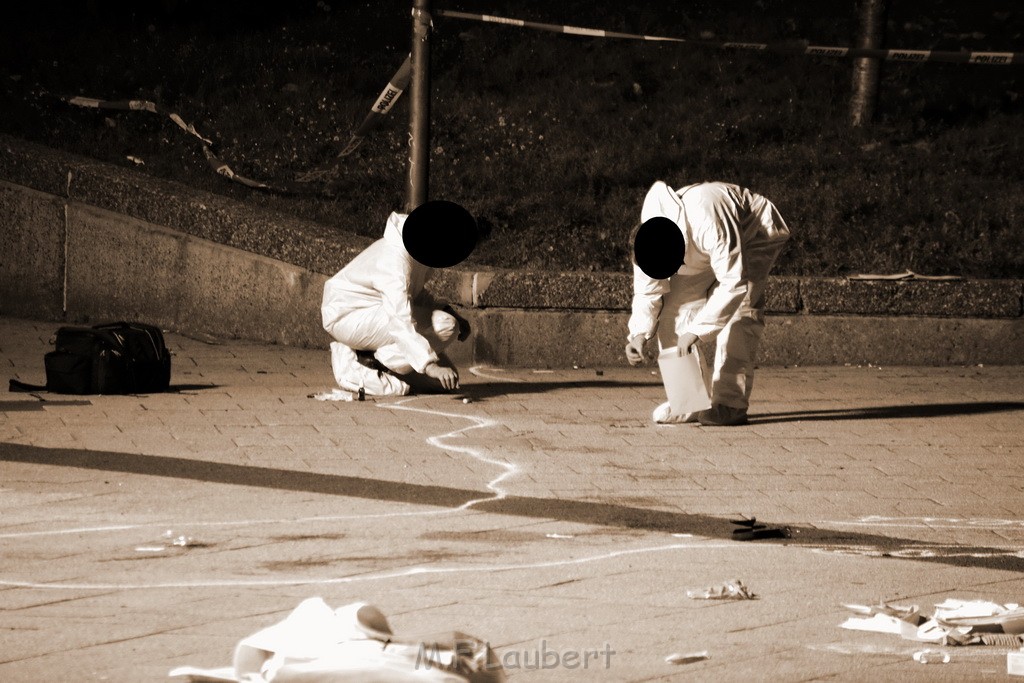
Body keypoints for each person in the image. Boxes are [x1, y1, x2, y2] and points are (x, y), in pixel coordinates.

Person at [626, 180, 791, 426]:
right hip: (698, 250)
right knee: (673, 310)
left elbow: (734, 283)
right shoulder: (651, 233)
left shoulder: (708, 219)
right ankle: (689, 400)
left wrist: (695, 331)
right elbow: (648, 289)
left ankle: (730, 403)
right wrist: (638, 333)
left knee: (741, 312)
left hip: (754, 233)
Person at [321, 201, 478, 397]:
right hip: (347, 316)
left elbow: (415, 295)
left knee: (447, 381)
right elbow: (400, 320)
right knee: (447, 325)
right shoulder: (395, 261)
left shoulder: (416, 247)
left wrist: (450, 310)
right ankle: (370, 361)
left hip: (372, 312)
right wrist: (430, 366)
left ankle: (385, 361)